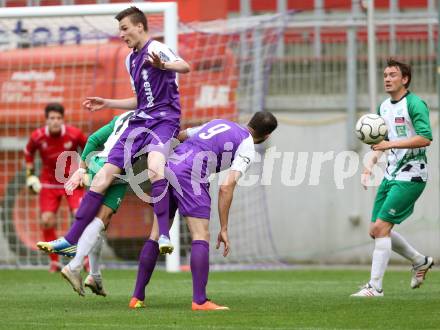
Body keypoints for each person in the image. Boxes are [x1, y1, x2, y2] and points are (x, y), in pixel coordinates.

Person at [39, 6, 190, 257]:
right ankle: (71, 239)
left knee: (155, 167)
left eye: (124, 28)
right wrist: (108, 103)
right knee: (103, 176)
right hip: (140, 120)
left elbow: (184, 66)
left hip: (165, 120)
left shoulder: (156, 49)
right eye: (120, 29)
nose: (121, 34)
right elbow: (139, 101)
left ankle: (164, 233)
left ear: (139, 26)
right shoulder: (129, 59)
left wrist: (163, 65)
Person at [129, 111, 278, 310]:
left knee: (156, 234)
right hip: (192, 173)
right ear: (267, 136)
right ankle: (200, 300)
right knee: (201, 235)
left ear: (250, 120)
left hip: (170, 164)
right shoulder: (247, 145)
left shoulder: (220, 122)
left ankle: (137, 297)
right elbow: (226, 187)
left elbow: (181, 135)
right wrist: (224, 227)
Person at [37, 111, 154, 296]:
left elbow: (93, 139)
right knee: (102, 218)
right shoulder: (156, 120)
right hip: (116, 169)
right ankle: (74, 265)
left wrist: (81, 169)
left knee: (100, 223)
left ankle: (94, 275)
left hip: (97, 163)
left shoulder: (124, 116)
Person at [351, 58, 433, 297]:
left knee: (381, 227)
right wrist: (369, 166)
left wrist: (390, 144)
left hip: (412, 175)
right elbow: (380, 144)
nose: (387, 78)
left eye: (393, 75)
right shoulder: (384, 107)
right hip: (390, 174)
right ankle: (420, 260)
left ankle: (375, 287)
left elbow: (425, 138)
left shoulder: (415, 104)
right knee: (375, 230)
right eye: (385, 74)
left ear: (404, 79)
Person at [25, 103, 87, 272]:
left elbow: (89, 148)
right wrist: (30, 175)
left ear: (63, 119)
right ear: (46, 120)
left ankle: (85, 259)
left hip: (72, 182)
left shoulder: (74, 134)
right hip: (49, 183)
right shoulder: (37, 136)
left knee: (80, 216)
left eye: (58, 118)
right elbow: (28, 152)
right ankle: (54, 262)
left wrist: (85, 170)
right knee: (46, 221)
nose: (55, 121)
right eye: (52, 118)